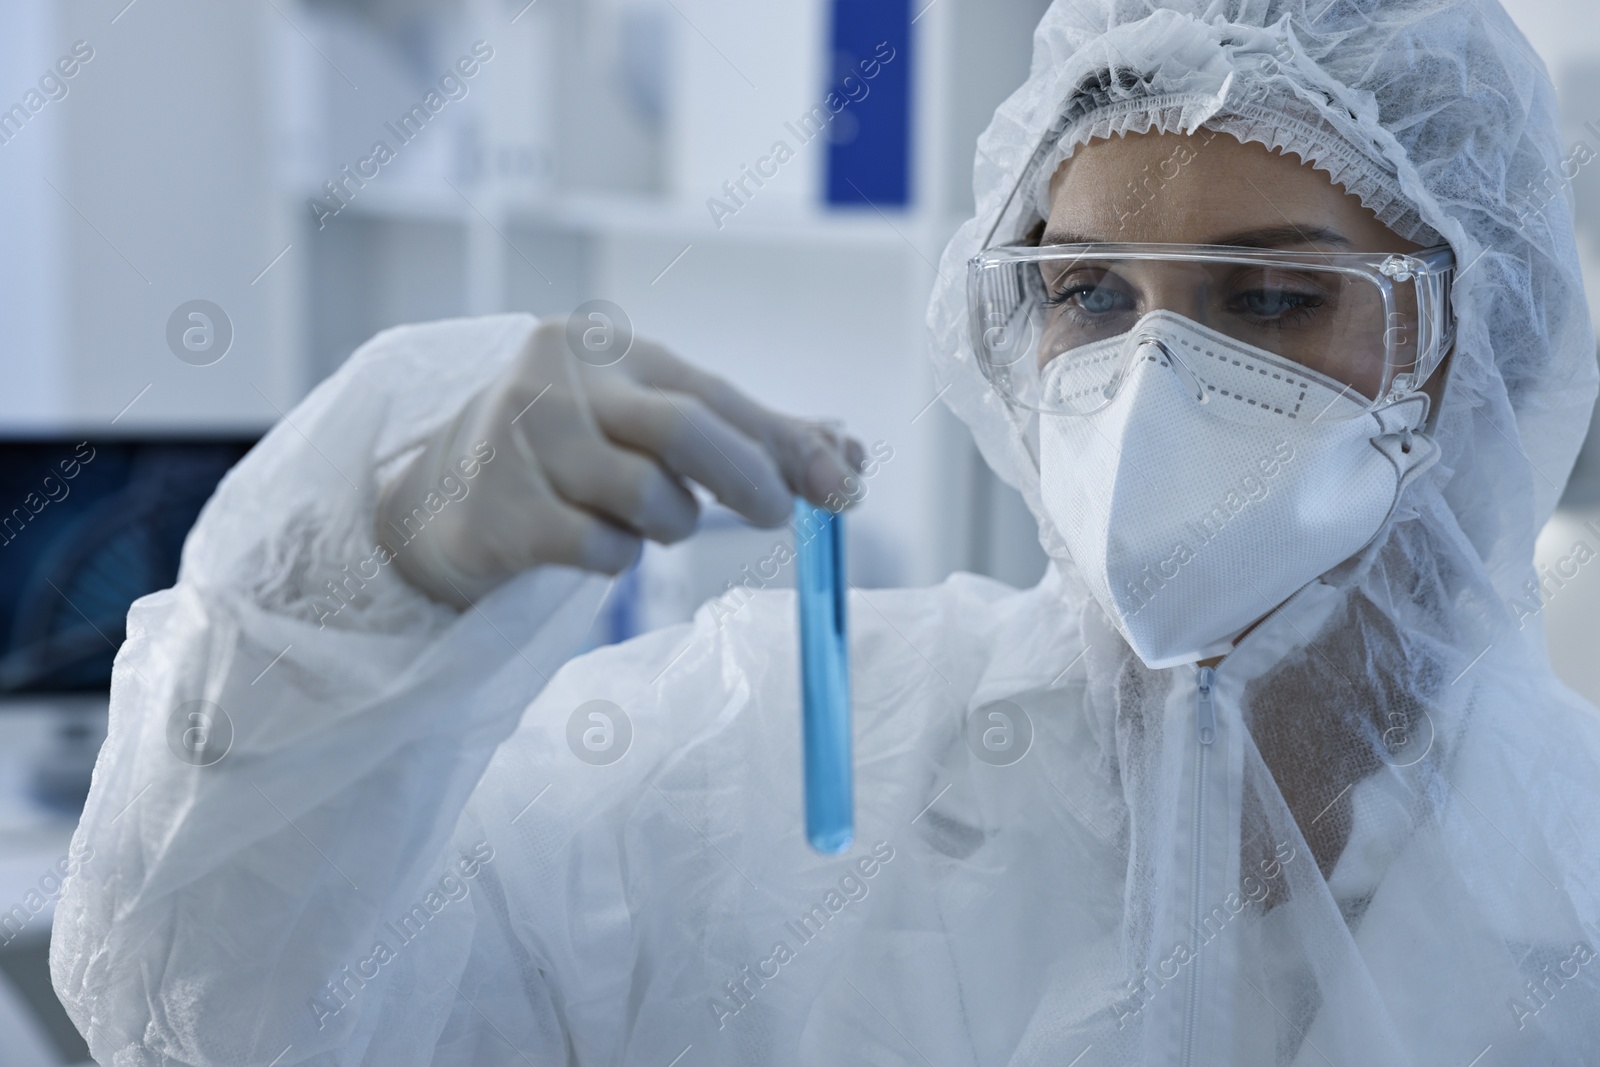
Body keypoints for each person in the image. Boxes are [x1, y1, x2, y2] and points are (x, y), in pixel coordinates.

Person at [52, 0, 1600, 1063]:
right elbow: (219, 1022)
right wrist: (355, 588)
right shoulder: (757, 768)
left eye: (1271, 297)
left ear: (1486, 348)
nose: (1152, 389)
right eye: (1088, 296)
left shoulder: (1575, 881)